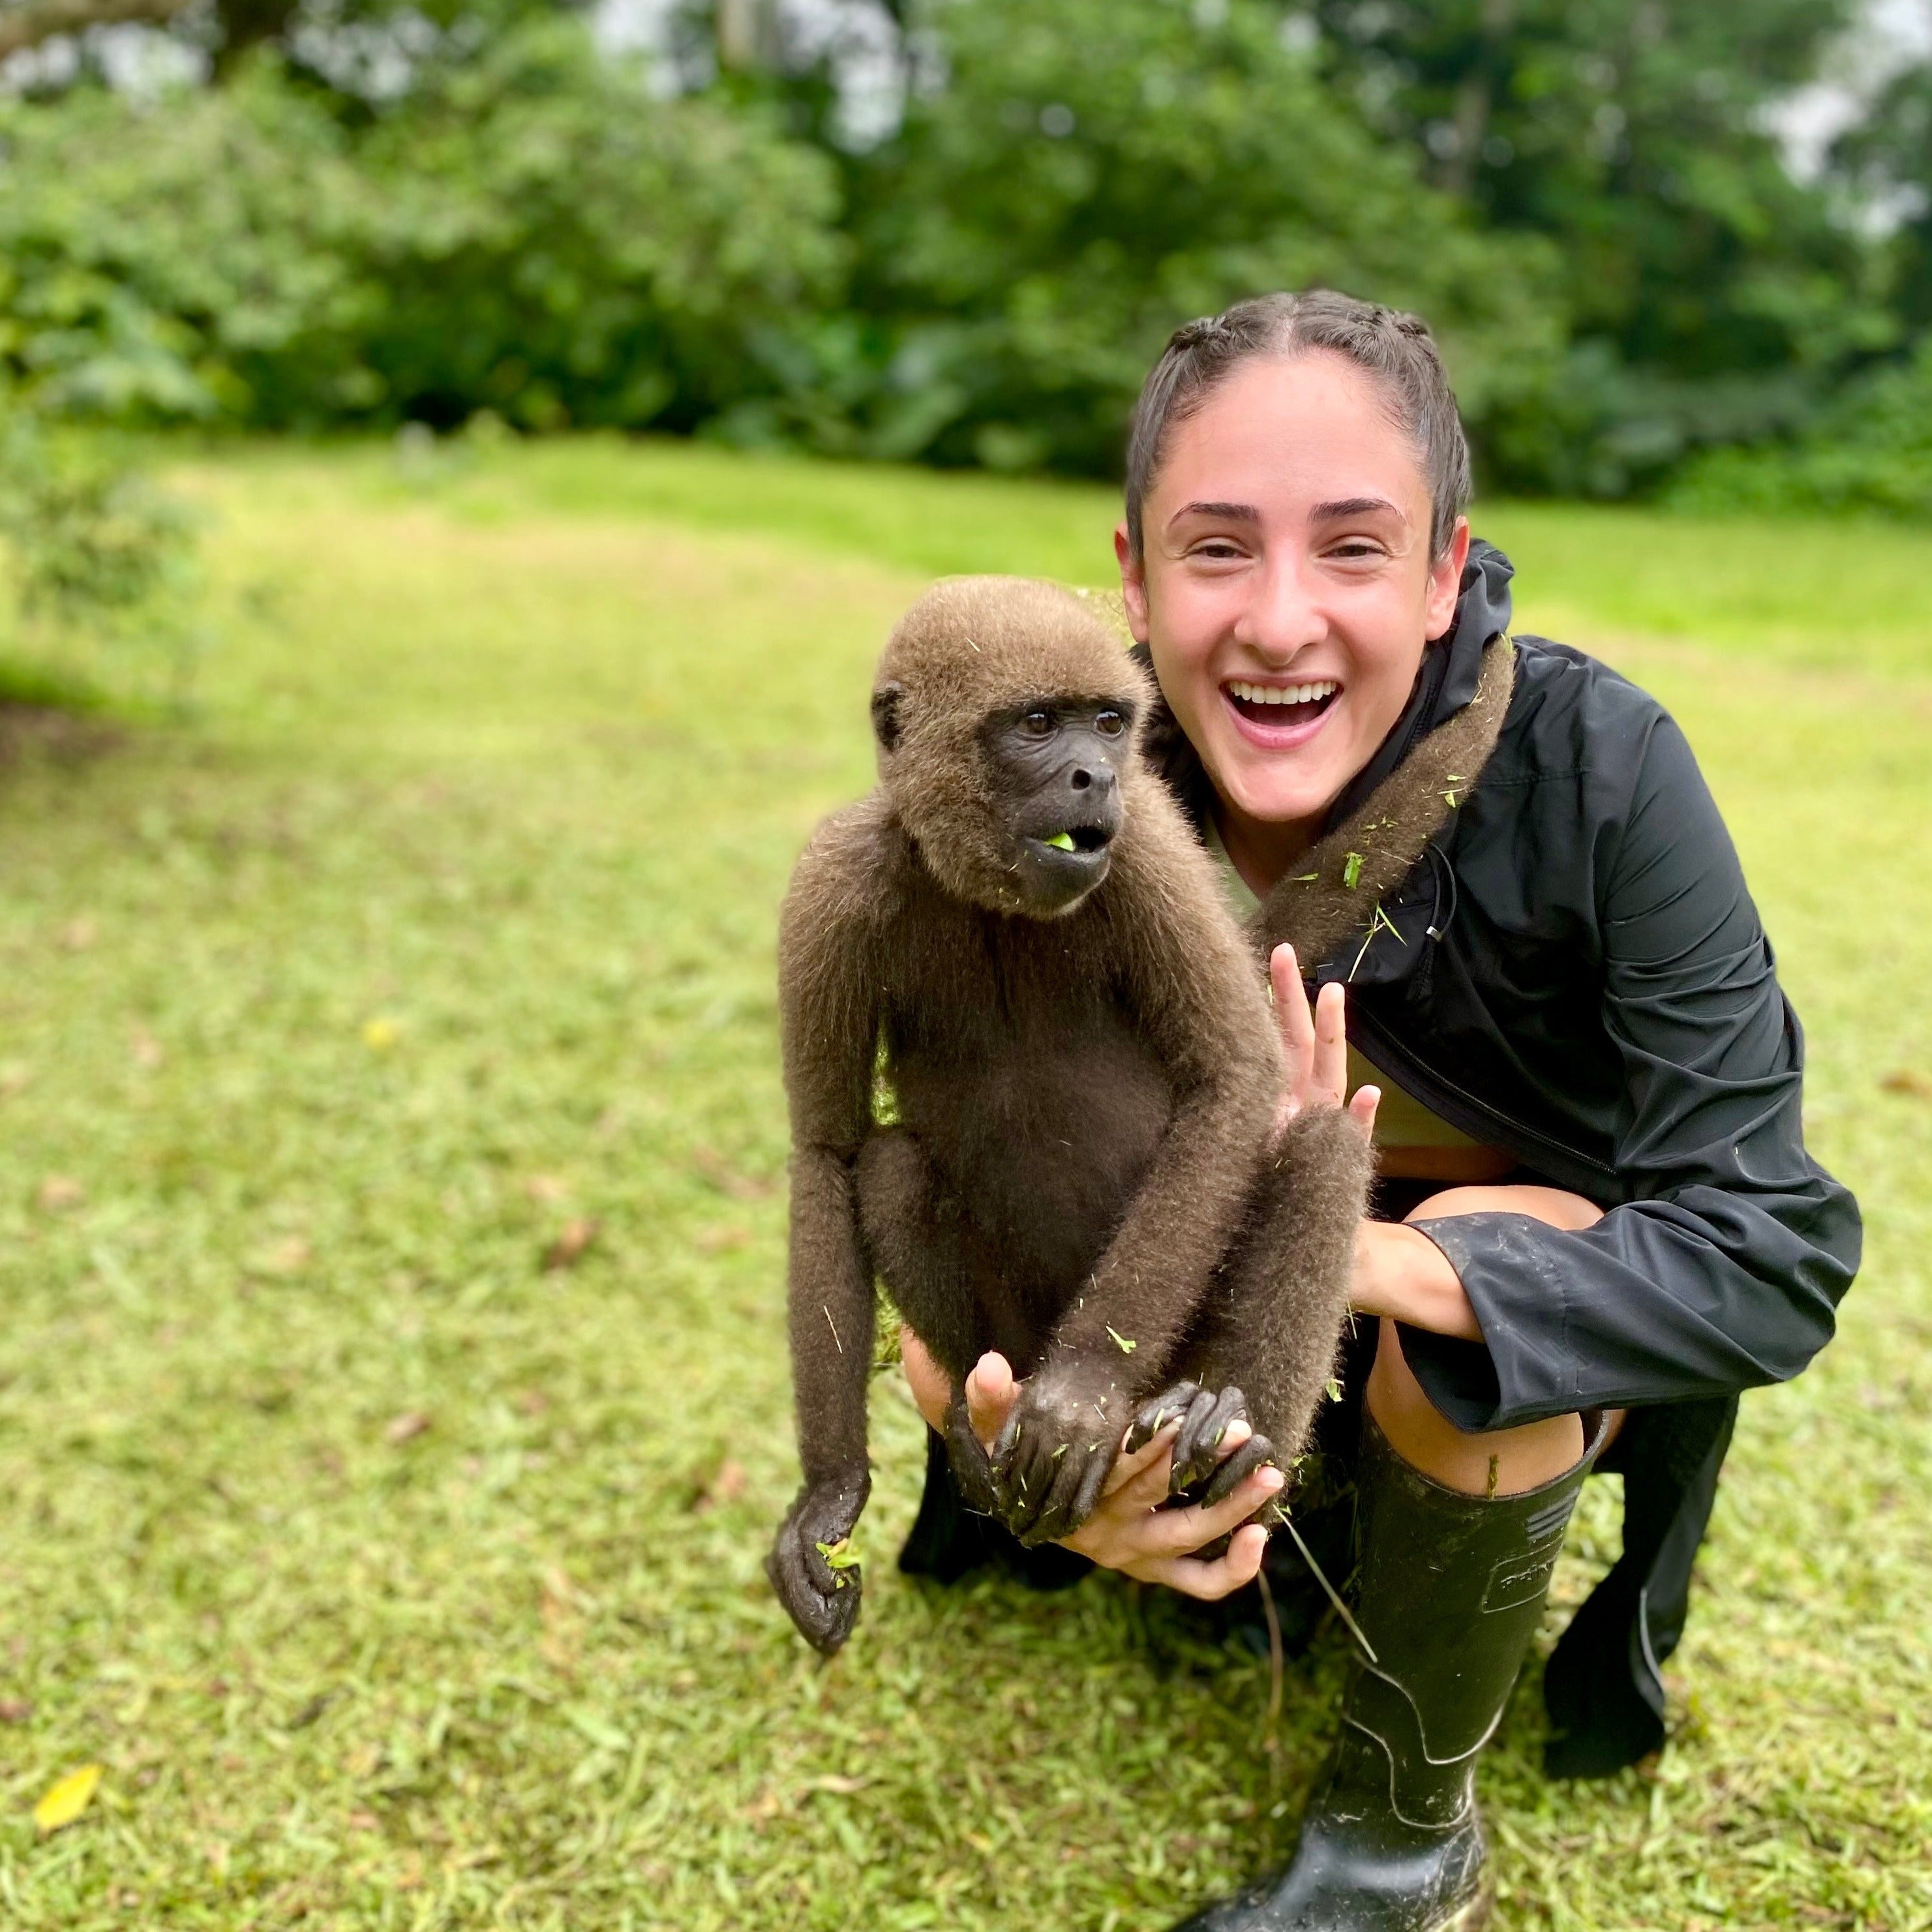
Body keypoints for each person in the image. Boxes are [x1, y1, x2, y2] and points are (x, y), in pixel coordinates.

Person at [896, 291, 1860, 1931]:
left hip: (1451, 1371)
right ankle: (1230, 1544)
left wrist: (1329, 1245)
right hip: (1187, 1377)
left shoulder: (1598, 773)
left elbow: (1767, 1249)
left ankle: (1401, 1845)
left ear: (1440, 570)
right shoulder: (1043, 795)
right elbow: (933, 1233)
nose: (1279, 622)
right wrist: (1028, 1465)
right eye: (1215, 549)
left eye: (1352, 548)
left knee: (1484, 1270)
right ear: (1129, 578)